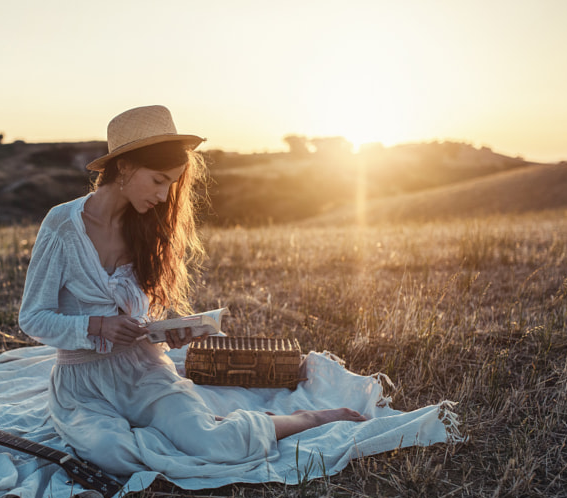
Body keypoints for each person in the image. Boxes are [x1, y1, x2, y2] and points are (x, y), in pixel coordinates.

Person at [19, 105, 366, 477]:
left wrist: (167, 333)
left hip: (143, 370)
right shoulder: (62, 225)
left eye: (172, 183)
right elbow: (32, 318)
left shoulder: (148, 228)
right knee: (111, 455)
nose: (165, 195)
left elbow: (140, 317)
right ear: (124, 168)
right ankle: (194, 425)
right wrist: (98, 326)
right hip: (83, 384)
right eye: (158, 180)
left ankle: (300, 418)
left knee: (218, 446)